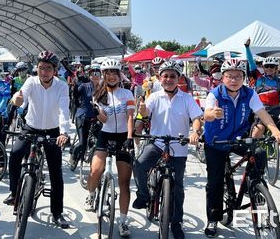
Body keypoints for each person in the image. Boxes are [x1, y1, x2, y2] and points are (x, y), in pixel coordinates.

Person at [202, 58, 280, 237]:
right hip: (215, 142)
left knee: (259, 151)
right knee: (215, 182)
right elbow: (206, 114)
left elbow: (263, 114)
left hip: (238, 138)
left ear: (244, 78)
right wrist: (213, 114)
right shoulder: (214, 94)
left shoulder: (249, 93)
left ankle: (253, 185)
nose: (234, 79)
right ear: (222, 78)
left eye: (238, 76)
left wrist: (275, 130)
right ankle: (213, 218)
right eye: (230, 76)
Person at [133, 61, 203, 239]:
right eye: (166, 76)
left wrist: (195, 131)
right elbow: (145, 112)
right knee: (139, 164)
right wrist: (142, 112)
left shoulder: (186, 98)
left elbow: (196, 117)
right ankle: (143, 195)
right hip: (156, 143)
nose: (169, 79)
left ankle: (176, 222)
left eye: (173, 76)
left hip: (178, 147)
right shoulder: (154, 96)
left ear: (179, 78)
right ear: (160, 78)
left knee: (178, 188)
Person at [4, 50, 71, 228]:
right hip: (31, 127)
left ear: (55, 70)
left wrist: (64, 132)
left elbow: (64, 111)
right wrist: (17, 99)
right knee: (16, 154)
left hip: (53, 130)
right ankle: (13, 192)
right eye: (41, 68)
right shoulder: (31, 81)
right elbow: (21, 98)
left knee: (56, 172)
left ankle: (57, 212)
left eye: (48, 68)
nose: (44, 72)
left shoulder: (62, 86)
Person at [83, 59, 135, 237]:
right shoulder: (98, 94)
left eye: (114, 73)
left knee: (124, 183)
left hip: (123, 137)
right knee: (95, 171)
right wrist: (98, 112)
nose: (111, 76)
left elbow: (130, 117)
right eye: (108, 73)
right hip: (105, 135)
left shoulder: (127, 93)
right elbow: (104, 120)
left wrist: (129, 138)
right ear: (103, 75)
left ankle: (123, 221)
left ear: (119, 75)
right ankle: (91, 194)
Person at [245, 40, 280, 176]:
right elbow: (250, 61)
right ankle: (254, 161)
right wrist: (247, 47)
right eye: (267, 66)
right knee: (256, 134)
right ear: (264, 68)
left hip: (276, 111)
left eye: (272, 67)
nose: (269, 69)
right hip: (261, 111)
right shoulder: (258, 78)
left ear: (276, 69)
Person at [69, 63, 101, 170]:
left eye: (98, 73)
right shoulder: (84, 86)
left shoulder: (104, 88)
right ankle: (74, 155)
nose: (95, 75)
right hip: (83, 116)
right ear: (89, 75)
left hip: (98, 118)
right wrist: (77, 82)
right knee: (82, 143)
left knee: (101, 143)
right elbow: (75, 95)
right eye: (93, 73)